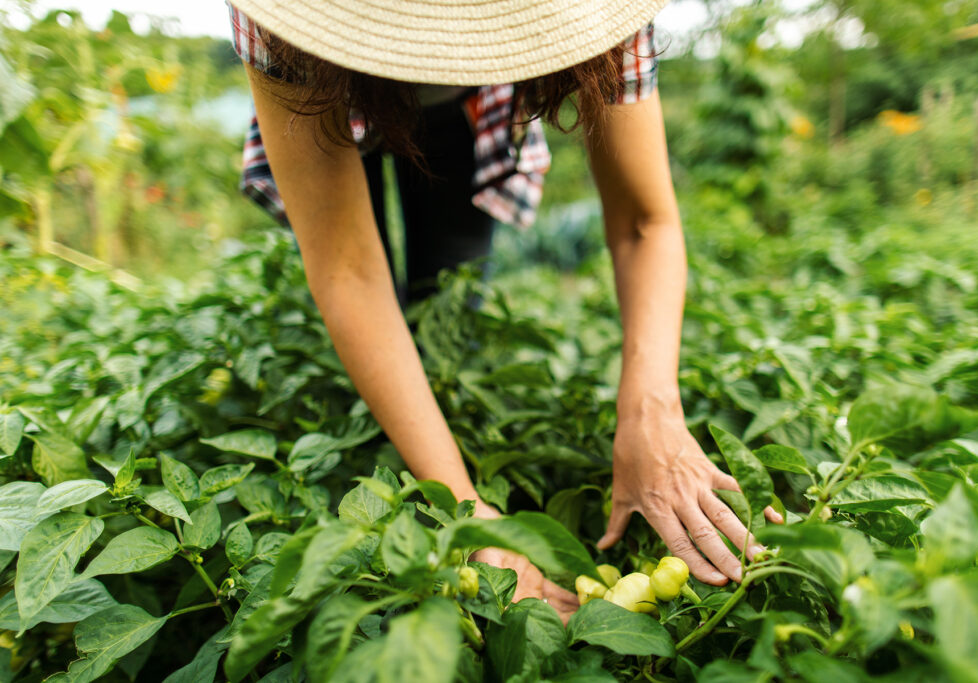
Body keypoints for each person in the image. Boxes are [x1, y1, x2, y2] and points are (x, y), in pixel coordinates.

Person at [226, 0, 784, 623]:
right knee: (371, 274)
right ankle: (422, 453)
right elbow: (348, 270)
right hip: (333, 80)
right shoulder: (285, 18)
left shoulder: (602, 14)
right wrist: (465, 513)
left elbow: (643, 222)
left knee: (450, 301)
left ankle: (441, 406)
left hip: (470, 111)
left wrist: (650, 409)